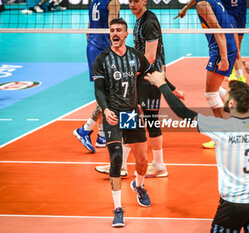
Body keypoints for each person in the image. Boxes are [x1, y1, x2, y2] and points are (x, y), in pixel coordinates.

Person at [145, 61, 249, 232]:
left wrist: (162, 85)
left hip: (233, 205)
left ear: (233, 104)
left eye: (226, 97)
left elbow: (183, 113)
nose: (224, 99)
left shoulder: (221, 129)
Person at [95, 0, 185, 177]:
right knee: (131, 118)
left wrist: (124, 71)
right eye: (130, 1)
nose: (132, 4)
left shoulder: (149, 22)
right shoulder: (140, 20)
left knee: (150, 120)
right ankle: (121, 164)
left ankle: (159, 165)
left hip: (149, 79)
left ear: (144, 1)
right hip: (142, 78)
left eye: (136, 1)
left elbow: (149, 58)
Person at [93, 17, 161, 227]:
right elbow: (98, 90)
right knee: (115, 159)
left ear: (125, 34)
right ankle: (118, 209)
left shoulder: (135, 56)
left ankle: (138, 185)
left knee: (142, 161)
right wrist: (105, 110)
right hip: (113, 114)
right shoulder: (102, 59)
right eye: (111, 30)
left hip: (131, 114)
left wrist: (172, 89)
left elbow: (150, 73)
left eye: (118, 30)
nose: (114, 33)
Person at [175, 0, 238, 149]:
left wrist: (223, 58)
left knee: (211, 94)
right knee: (215, 90)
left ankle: (222, 135)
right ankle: (238, 106)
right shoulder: (213, 1)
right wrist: (185, 8)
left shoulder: (202, 5)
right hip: (227, 46)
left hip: (221, 49)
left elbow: (217, 29)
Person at [175, 0, 249, 82]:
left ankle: (236, 70)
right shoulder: (204, 4)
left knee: (237, 46)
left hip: (241, 11)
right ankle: (233, 72)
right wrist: (185, 8)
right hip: (228, 12)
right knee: (230, 38)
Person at [74, 0, 120, 153]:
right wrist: (115, 51)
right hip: (103, 48)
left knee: (104, 90)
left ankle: (101, 136)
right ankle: (85, 129)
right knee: (108, 92)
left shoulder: (94, 1)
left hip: (92, 47)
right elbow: (111, 27)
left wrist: (93, 43)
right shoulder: (113, 2)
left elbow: (88, 29)